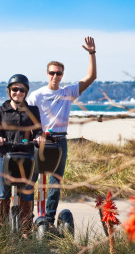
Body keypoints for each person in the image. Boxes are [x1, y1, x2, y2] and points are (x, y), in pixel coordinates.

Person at [27, 36, 97, 229]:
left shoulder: (68, 92)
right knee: (32, 180)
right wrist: (35, 134)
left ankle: (49, 220)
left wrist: (92, 53)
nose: (55, 76)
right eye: (52, 73)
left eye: (58, 73)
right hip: (40, 141)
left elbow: (91, 78)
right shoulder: (37, 95)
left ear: (62, 75)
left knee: (55, 183)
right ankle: (29, 219)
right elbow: (28, 119)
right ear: (47, 73)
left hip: (60, 141)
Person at [0, 74, 45, 238]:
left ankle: (25, 231)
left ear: (26, 92)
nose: (18, 93)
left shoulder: (32, 110)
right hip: (3, 156)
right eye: (15, 89)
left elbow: (38, 130)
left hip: (26, 157)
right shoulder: (0, 111)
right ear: (9, 91)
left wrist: (40, 137)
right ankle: (4, 230)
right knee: (3, 192)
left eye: (22, 90)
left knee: (27, 191)